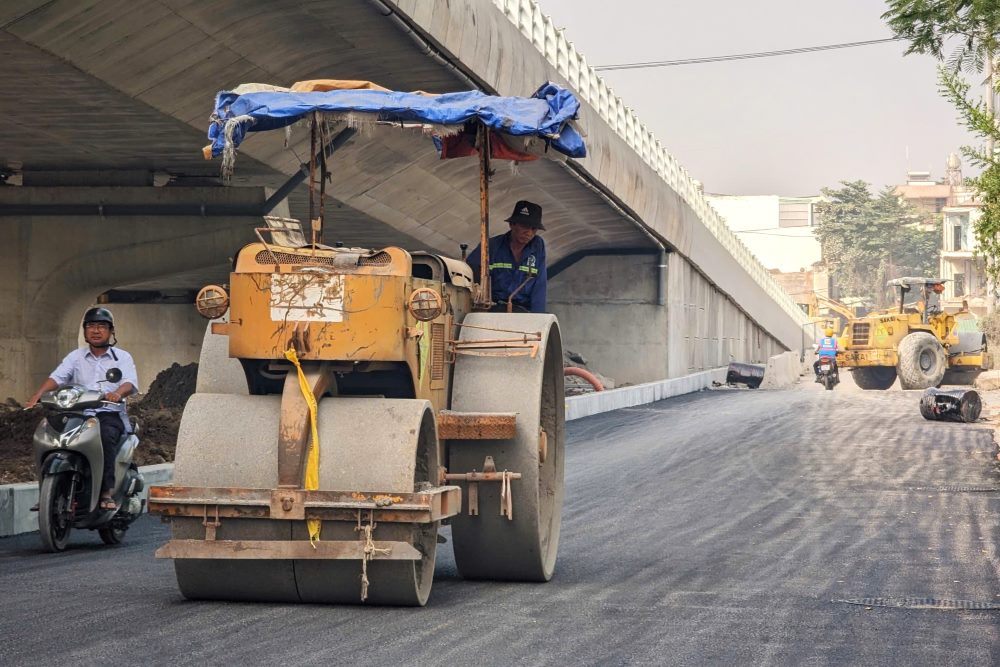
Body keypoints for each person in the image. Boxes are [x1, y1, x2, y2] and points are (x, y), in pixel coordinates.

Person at [26, 307, 139, 510]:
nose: (96, 331)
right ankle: (47, 491)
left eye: (101, 326)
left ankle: (106, 491)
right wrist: (37, 395)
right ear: (85, 331)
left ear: (111, 331)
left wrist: (118, 393)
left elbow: (129, 382)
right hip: (77, 413)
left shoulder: (122, 357)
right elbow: (58, 377)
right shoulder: (75, 357)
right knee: (52, 436)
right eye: (91, 326)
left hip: (107, 413)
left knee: (105, 437)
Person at [466, 200, 547, 312]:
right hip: (493, 309)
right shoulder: (491, 246)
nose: (529, 232)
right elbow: (470, 271)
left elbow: (540, 286)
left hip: (523, 312)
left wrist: (538, 318)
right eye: (524, 226)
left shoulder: (538, 246)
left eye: (534, 228)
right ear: (512, 224)